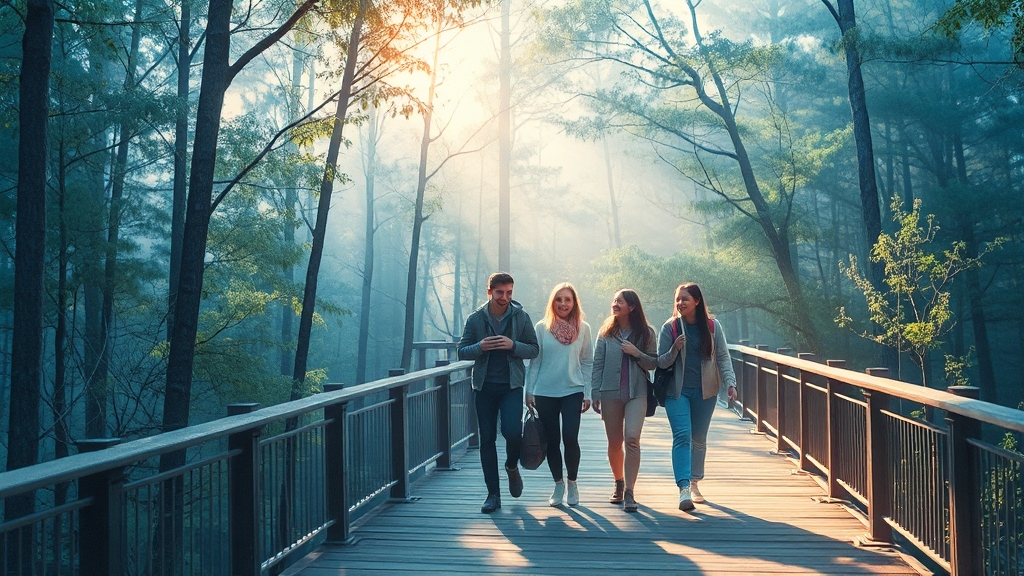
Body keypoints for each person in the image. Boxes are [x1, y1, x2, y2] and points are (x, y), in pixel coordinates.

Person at [458, 272, 539, 513]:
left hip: (511, 386)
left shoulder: (521, 317)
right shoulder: (475, 319)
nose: (505, 297)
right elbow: (462, 351)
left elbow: (533, 349)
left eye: (509, 292)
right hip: (483, 387)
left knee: (513, 433)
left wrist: (513, 345)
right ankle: (493, 494)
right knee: (487, 440)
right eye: (500, 292)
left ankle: (512, 467)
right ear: (490, 292)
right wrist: (479, 347)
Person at [656, 282, 737, 511]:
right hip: (677, 391)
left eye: (685, 299)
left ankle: (694, 482)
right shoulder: (669, 328)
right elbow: (659, 363)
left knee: (699, 439)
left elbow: (723, 357)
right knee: (682, 436)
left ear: (697, 302)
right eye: (678, 299)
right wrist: (674, 350)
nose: (680, 303)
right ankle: (683, 488)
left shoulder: (712, 327)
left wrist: (731, 383)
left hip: (705, 392)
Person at [525, 283, 594, 507]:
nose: (563, 303)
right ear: (552, 302)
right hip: (545, 392)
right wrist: (529, 391)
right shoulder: (541, 328)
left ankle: (572, 482)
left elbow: (587, 362)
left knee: (570, 438)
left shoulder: (583, 328)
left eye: (567, 299)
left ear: (574, 303)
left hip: (573, 391)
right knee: (552, 440)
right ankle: (558, 484)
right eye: (559, 299)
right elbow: (535, 362)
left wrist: (587, 392)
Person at [590, 289, 657, 512]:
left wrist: (636, 352)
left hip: (637, 393)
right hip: (610, 393)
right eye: (614, 300)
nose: (615, 304)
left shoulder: (646, 333)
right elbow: (597, 362)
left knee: (632, 439)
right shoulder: (606, 332)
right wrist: (595, 392)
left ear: (632, 306)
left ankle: (629, 492)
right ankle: (618, 482)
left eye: (620, 301)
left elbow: (653, 363)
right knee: (614, 443)